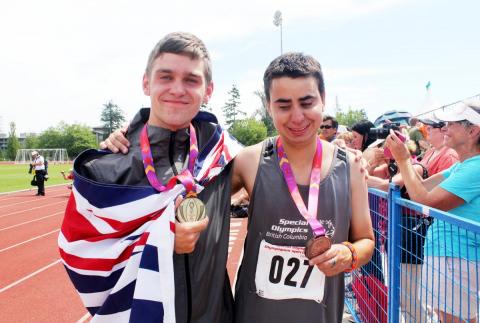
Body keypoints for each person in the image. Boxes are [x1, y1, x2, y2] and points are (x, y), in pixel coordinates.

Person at [104, 52, 375, 322]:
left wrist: (348, 253)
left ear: (323, 100)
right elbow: (182, 183)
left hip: (320, 315)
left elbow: (367, 241)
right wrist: (134, 141)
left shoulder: (350, 166)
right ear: (269, 106)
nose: (297, 116)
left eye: (307, 103)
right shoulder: (248, 160)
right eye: (283, 105)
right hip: (252, 315)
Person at [59, 32, 242, 322]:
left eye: (191, 80)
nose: (178, 89)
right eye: (165, 77)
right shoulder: (105, 170)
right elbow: (80, 259)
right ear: (146, 82)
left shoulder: (222, 154)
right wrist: (161, 241)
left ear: (209, 90)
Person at [385, 100, 480, 322]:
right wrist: (403, 161)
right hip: (451, 257)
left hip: (456, 257)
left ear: (473, 130)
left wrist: (404, 159)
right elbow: (423, 186)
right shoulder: (463, 166)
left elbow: (425, 200)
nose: (445, 127)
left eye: (452, 123)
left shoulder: (475, 167)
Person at [367, 117, 459, 322]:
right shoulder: (419, 161)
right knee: (412, 296)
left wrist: (360, 170)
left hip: (417, 235)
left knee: (416, 297)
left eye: (432, 127)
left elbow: (418, 195)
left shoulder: (422, 164)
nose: (427, 130)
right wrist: (371, 163)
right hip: (407, 234)